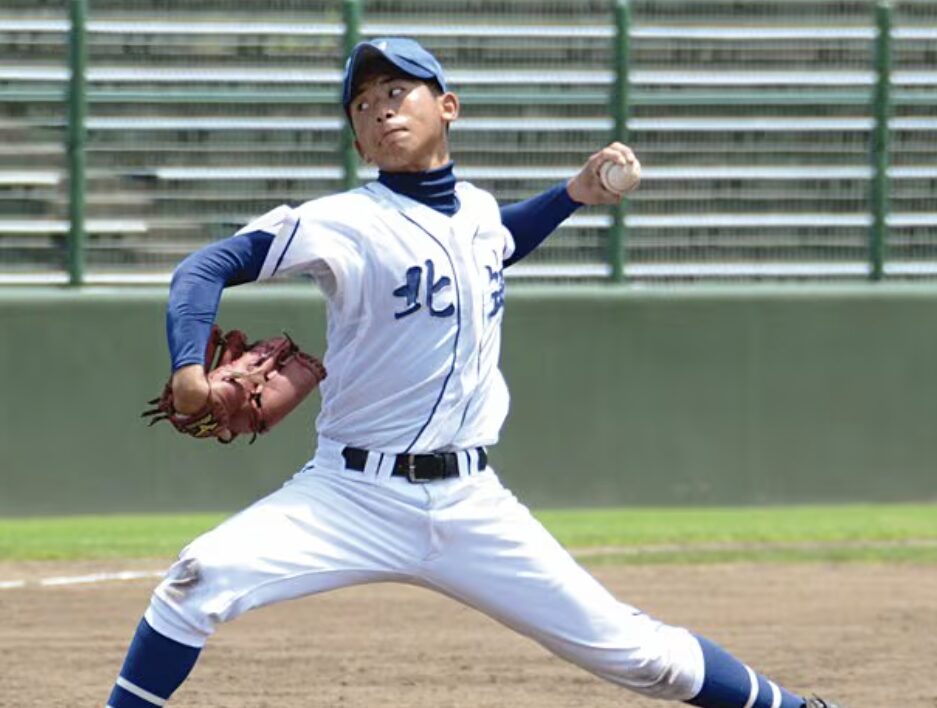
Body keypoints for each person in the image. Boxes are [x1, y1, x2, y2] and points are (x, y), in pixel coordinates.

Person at [106, 37, 841, 708]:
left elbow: (491, 242)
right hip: (349, 494)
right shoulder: (342, 221)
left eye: (398, 91)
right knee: (195, 582)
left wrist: (572, 196)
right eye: (363, 105)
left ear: (446, 106)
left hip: (469, 504)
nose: (380, 110)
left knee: (639, 655)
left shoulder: (479, 214)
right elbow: (205, 267)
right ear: (358, 140)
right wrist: (185, 368)